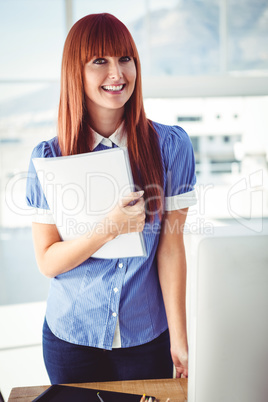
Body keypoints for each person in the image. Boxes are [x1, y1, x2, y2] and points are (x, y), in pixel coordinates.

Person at [26, 13, 197, 384]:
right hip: (70, 338)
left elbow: (170, 248)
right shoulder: (49, 158)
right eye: (99, 61)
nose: (117, 73)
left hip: (147, 337)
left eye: (125, 59)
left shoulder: (170, 146)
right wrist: (109, 229)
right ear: (77, 71)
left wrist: (180, 338)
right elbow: (48, 261)